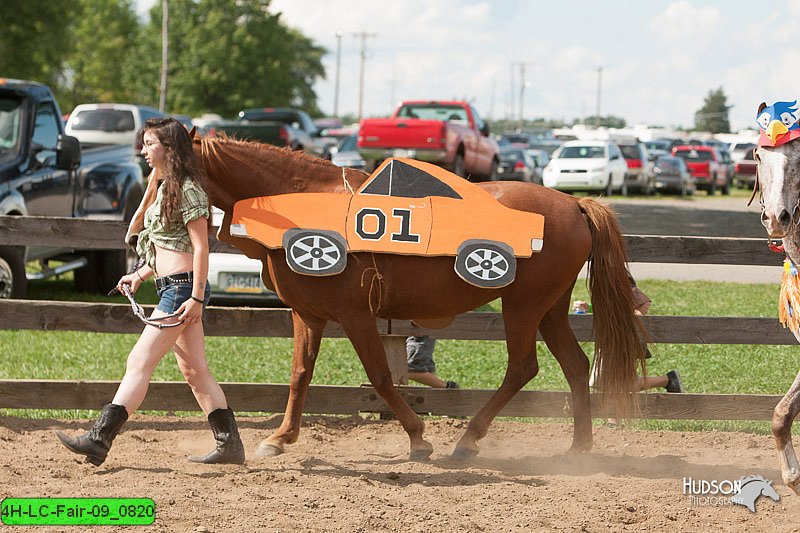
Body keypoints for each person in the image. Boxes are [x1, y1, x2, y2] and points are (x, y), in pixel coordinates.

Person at [55, 117, 245, 466]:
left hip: (182, 292)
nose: (143, 150)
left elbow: (201, 248)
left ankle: (99, 438)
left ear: (170, 148)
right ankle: (229, 445)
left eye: (149, 144)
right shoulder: (168, 186)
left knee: (139, 361)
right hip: (175, 287)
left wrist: (197, 298)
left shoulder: (188, 189)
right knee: (195, 372)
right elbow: (172, 246)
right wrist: (141, 274)